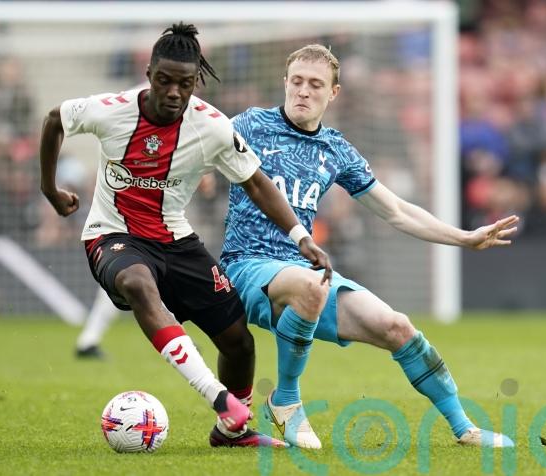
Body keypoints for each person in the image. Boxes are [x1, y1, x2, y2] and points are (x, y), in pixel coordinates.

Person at [39, 24, 333, 448]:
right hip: (112, 233)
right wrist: (50, 189)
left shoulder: (211, 126)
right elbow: (55, 119)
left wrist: (301, 236)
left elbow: (256, 182)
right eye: (165, 80)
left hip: (176, 240)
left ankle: (233, 431)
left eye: (185, 83)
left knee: (237, 340)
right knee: (136, 282)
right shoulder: (112, 110)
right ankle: (219, 398)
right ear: (149, 74)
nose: (174, 92)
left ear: (196, 81)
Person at [220, 44, 519, 449]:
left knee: (397, 326)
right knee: (312, 285)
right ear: (285, 82)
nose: (303, 91)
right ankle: (286, 399)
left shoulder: (335, 149)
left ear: (333, 93)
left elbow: (396, 210)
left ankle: (464, 427)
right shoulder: (249, 124)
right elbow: (195, 149)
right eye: (297, 81)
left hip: (303, 269)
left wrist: (463, 237)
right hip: (247, 266)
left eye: (315, 84)